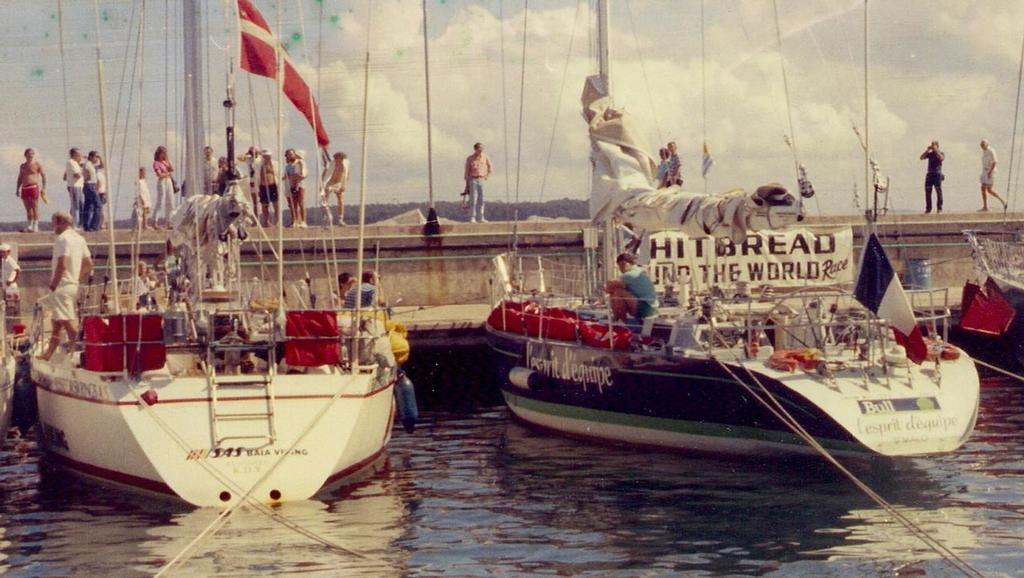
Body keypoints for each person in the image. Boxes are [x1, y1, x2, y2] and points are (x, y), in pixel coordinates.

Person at [39, 211, 93, 361]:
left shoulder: (63, 239)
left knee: (68, 322)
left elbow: (62, 265)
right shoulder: (79, 238)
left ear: (60, 222)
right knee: (56, 321)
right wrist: (75, 278)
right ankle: (48, 354)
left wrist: (53, 286)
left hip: (62, 286)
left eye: (53, 223)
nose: (53, 227)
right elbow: (88, 264)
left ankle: (81, 352)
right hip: (72, 285)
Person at [605, 252, 658, 321]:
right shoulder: (639, 271)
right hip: (653, 308)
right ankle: (617, 318)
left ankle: (621, 320)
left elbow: (609, 287)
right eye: (619, 266)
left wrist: (609, 289)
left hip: (646, 309)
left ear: (630, 263)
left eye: (623, 264)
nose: (621, 268)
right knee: (617, 290)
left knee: (618, 292)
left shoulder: (629, 275)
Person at [16, 148, 46, 232]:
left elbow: (43, 176)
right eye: (28, 154)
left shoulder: (37, 164)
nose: (30, 155)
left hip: (33, 187)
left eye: (32, 154)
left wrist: (44, 188)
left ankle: (35, 225)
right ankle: (29, 225)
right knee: (28, 208)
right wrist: (17, 189)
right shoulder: (22, 166)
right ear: (25, 155)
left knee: (35, 207)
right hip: (24, 188)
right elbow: (20, 178)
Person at [464, 142, 492, 223]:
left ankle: (481, 217)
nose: (481, 150)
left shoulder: (485, 157)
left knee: (482, 199)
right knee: (473, 199)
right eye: (479, 149)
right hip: (472, 179)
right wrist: (467, 184)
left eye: (482, 149)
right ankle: (472, 217)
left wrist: (486, 176)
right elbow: (467, 172)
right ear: (475, 149)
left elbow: (490, 168)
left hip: (482, 179)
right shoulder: (470, 158)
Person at [979, 140, 1006, 212]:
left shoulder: (991, 151)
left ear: (987, 144)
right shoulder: (984, 152)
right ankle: (985, 206)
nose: (981, 146)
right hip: (984, 171)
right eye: (981, 144)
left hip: (990, 171)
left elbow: (995, 162)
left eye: (983, 144)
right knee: (983, 188)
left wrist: (990, 172)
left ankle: (1003, 201)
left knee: (989, 190)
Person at [323, 151, 349, 225]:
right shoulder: (331, 164)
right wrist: (323, 184)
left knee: (341, 199)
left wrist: (344, 185)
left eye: (341, 159)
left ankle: (340, 219)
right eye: (338, 159)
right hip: (329, 183)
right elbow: (326, 173)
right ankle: (326, 217)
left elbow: (347, 175)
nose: (339, 160)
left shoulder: (345, 165)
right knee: (325, 199)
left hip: (339, 183)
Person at [153, 146, 176, 228]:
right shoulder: (156, 163)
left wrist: (167, 160)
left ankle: (169, 222)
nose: (164, 155)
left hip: (168, 180)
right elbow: (159, 174)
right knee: (161, 201)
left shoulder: (165, 162)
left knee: (171, 201)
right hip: (162, 181)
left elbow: (172, 169)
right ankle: (155, 221)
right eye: (163, 153)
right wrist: (167, 174)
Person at [284, 148, 308, 227]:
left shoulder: (300, 162)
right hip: (292, 185)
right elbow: (286, 177)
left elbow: (302, 175)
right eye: (289, 154)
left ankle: (303, 221)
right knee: (293, 204)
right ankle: (295, 221)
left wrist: (295, 177)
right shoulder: (287, 166)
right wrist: (291, 177)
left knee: (301, 202)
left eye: (292, 154)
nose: (290, 156)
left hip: (300, 185)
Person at [920, 141, 945, 214]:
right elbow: (921, 157)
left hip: (937, 174)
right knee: (928, 191)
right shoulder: (930, 154)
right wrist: (927, 150)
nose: (933, 146)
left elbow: (941, 158)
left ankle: (939, 208)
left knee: (938, 191)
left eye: (934, 145)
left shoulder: (941, 153)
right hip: (930, 174)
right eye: (932, 145)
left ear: (937, 146)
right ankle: (928, 209)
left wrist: (936, 150)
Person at [64, 148, 84, 228]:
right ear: (74, 154)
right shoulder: (71, 162)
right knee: (75, 206)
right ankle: (73, 224)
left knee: (80, 205)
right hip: (74, 186)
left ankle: (79, 223)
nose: (80, 156)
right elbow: (77, 175)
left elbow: (65, 176)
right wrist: (83, 170)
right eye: (79, 154)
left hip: (79, 186)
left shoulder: (76, 163)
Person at [81, 151, 101, 231]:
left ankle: (86, 225)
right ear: (92, 157)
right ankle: (94, 225)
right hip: (90, 185)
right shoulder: (88, 164)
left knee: (88, 206)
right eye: (96, 157)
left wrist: (99, 157)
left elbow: (102, 165)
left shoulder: (89, 164)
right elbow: (88, 175)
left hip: (88, 185)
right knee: (98, 205)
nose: (96, 159)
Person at [258, 151, 279, 227]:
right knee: (264, 205)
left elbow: (277, 173)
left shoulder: (274, 164)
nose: (266, 157)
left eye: (267, 156)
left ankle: (278, 221)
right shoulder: (259, 164)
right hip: (263, 186)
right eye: (265, 156)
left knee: (275, 204)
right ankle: (266, 221)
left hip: (272, 185)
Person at [134, 167, 154, 231]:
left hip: (146, 196)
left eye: (144, 173)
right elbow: (138, 191)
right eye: (142, 172)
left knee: (146, 211)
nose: (144, 174)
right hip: (142, 197)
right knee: (143, 212)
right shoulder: (138, 181)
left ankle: (145, 224)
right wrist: (141, 198)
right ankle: (144, 225)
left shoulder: (144, 181)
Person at [95, 154, 108, 230]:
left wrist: (95, 192)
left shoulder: (97, 175)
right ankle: (102, 224)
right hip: (103, 192)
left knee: (100, 209)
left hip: (99, 193)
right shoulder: (101, 174)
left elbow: (98, 184)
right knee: (101, 209)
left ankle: (102, 224)